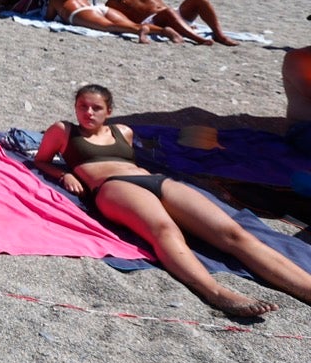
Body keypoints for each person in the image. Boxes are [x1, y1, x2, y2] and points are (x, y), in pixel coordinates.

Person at [36, 84, 311, 318]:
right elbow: (41, 160)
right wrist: (64, 174)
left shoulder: (123, 132)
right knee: (165, 230)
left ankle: (305, 287)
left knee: (234, 233)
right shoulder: (64, 130)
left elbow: (129, 159)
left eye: (96, 108)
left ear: (108, 111)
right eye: (83, 106)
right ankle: (215, 291)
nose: (88, 113)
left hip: (154, 180)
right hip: (112, 186)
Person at [104, 0, 237, 46]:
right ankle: (197, 38)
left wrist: (182, 21)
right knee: (167, 12)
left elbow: (163, 6)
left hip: (169, 14)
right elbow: (123, 22)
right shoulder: (114, 2)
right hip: (153, 22)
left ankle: (219, 34)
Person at [45, 0, 151, 39]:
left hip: (78, 13)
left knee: (109, 26)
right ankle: (162, 31)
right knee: (129, 23)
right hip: (97, 7)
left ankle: (139, 30)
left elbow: (49, 17)